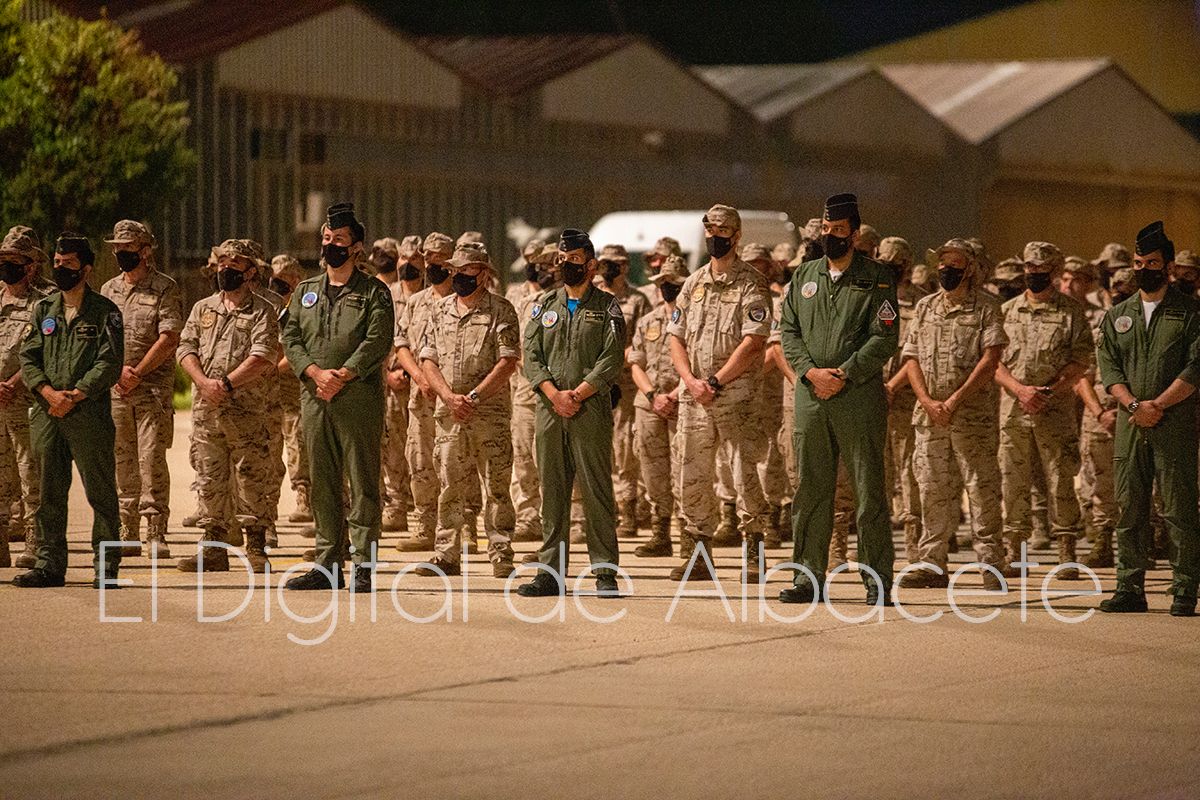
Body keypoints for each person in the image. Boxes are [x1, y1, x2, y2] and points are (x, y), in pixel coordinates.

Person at [778, 194, 898, 605]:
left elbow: (885, 337)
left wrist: (846, 373)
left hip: (858, 395)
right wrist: (810, 372)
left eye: (838, 231)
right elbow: (788, 333)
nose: (830, 237)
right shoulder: (805, 276)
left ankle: (875, 580)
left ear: (855, 232)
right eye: (826, 230)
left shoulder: (877, 278)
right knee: (810, 489)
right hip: (811, 395)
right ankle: (807, 578)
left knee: (868, 490)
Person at [281, 203, 394, 593]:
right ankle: (327, 562)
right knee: (322, 482)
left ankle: (363, 563)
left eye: (339, 241)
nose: (330, 246)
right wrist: (314, 372)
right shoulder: (305, 291)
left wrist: (343, 374)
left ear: (356, 248)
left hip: (357, 398)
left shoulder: (374, 292)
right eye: (327, 239)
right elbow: (291, 338)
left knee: (363, 482)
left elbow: (377, 340)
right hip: (315, 399)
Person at [1097, 221, 1200, 616]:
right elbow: (1109, 368)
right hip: (1131, 424)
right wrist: (1135, 406)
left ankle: (1185, 589)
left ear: (1168, 266)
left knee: (1178, 508)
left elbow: (1195, 368)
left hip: (1173, 424)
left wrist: (1157, 405)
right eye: (1138, 262)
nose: (1143, 269)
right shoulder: (1119, 314)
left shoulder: (1189, 313)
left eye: (1152, 262)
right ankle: (1129, 587)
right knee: (1130, 507)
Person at [517, 228, 625, 597]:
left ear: (591, 265)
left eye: (574, 261)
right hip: (550, 408)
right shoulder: (545, 304)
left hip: (588, 407)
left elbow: (611, 358)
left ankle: (605, 571)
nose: (565, 266)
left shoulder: (606, 306)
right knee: (553, 490)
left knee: (596, 489)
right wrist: (552, 392)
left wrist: (577, 393)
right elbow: (530, 354)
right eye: (561, 260)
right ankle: (550, 572)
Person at [666, 205, 772, 582]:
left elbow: (754, 342)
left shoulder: (751, 283)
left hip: (736, 396)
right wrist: (691, 381)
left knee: (744, 472)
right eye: (710, 229)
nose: (715, 236)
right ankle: (698, 555)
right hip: (694, 396)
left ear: (737, 235)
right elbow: (675, 339)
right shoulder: (693, 284)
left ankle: (754, 553)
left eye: (723, 230)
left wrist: (715, 382)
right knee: (691, 473)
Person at [13, 234, 123, 588]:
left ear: (86, 268)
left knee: (100, 492)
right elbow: (29, 357)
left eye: (69, 264)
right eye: (58, 264)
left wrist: (75, 394)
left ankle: (105, 567)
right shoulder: (44, 310)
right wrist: (47, 392)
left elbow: (110, 362)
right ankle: (49, 564)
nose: (61, 269)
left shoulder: (105, 311)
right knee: (49, 492)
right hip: (48, 414)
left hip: (86, 413)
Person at [417, 241, 520, 577]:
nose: (459, 275)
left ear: (483, 273)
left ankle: (501, 551)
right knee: (449, 483)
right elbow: (427, 359)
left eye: (467, 269)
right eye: (455, 269)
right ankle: (446, 554)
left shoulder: (501, 310)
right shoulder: (439, 310)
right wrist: (448, 396)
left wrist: (473, 397)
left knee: (497, 484)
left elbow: (507, 361)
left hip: (488, 412)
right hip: (448, 412)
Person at [175, 239, 279, 573]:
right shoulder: (203, 308)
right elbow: (185, 348)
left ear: (250, 272)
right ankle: (213, 549)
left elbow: (262, 356)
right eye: (222, 264)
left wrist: (227, 383)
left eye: (234, 266)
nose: (225, 270)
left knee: (251, 476)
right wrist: (204, 383)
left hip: (246, 410)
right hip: (208, 411)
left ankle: (256, 547)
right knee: (209, 477)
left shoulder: (262, 310)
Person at [994, 242, 1093, 579]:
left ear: (1053, 271)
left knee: (1061, 478)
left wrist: (1048, 391)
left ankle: (1067, 549)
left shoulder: (1071, 312)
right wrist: (1020, 390)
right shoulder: (1006, 311)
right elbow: (992, 362)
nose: (1033, 274)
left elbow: (1080, 361)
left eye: (1040, 269)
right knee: (1013, 480)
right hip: (1014, 410)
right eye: (1029, 268)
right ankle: (1016, 550)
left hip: (1055, 409)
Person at [99, 220, 184, 560]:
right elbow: (102, 336)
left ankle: (155, 529)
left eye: (128, 248)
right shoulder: (108, 290)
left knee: (151, 459)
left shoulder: (164, 287)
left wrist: (138, 371)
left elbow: (169, 337)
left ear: (146, 250)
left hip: (152, 390)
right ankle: (127, 527)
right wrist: (117, 371)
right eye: (117, 248)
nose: (121, 253)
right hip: (117, 387)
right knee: (122, 460)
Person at [393, 232, 454, 553]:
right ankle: (426, 525)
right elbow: (401, 344)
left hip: (453, 399)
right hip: (422, 397)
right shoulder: (416, 303)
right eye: (429, 260)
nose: (433, 266)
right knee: (420, 461)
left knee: (456, 465)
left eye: (439, 261)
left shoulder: (463, 299)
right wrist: (420, 377)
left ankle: (462, 527)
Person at [629, 254, 688, 557]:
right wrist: (653, 396)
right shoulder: (647, 321)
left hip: (683, 402)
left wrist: (676, 394)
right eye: (663, 283)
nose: (668, 288)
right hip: (650, 404)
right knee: (652, 470)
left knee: (684, 469)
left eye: (674, 283)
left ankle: (688, 535)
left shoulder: (693, 319)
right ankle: (660, 532)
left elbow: (699, 364)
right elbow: (636, 364)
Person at [0, 227, 50, 569]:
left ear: (31, 266)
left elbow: (44, 351)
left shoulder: (43, 305)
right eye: (3, 261)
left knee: (30, 471)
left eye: (14, 261)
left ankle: (34, 539)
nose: (7, 267)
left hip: (25, 400)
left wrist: (15, 382)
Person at [596, 243, 652, 538]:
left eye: (615, 263)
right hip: (594, 384)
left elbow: (644, 342)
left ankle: (628, 508)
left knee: (626, 449)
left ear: (625, 266)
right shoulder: (591, 295)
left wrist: (623, 353)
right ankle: (600, 510)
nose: (609, 267)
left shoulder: (638, 300)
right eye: (604, 262)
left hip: (626, 384)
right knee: (596, 448)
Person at [878, 236, 926, 564]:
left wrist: (892, 387)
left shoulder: (922, 305)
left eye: (896, 264)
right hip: (871, 397)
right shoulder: (869, 299)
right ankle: (877, 544)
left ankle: (913, 546)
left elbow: (918, 355)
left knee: (909, 472)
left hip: (906, 399)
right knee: (874, 472)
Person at [506, 239, 556, 544]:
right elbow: (516, 346)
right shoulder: (525, 304)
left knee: (551, 460)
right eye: (542, 265)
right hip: (527, 391)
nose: (546, 270)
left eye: (552, 264)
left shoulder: (569, 302)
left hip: (559, 393)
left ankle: (557, 520)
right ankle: (527, 516)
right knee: (523, 456)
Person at [381, 235, 423, 535]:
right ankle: (396, 505)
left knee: (423, 449)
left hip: (424, 384)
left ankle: (423, 508)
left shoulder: (432, 297)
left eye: (414, 262)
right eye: (403, 261)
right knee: (393, 448)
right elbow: (375, 340)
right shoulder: (385, 295)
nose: (407, 266)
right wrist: (387, 376)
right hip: (392, 383)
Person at [269, 254, 313, 529]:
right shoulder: (270, 307)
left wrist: (270, 370)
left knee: (298, 447)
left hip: (294, 391)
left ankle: (303, 499)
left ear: (296, 280)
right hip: (271, 392)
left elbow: (297, 351)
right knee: (270, 450)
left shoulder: (303, 309)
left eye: (283, 279)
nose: (278, 285)